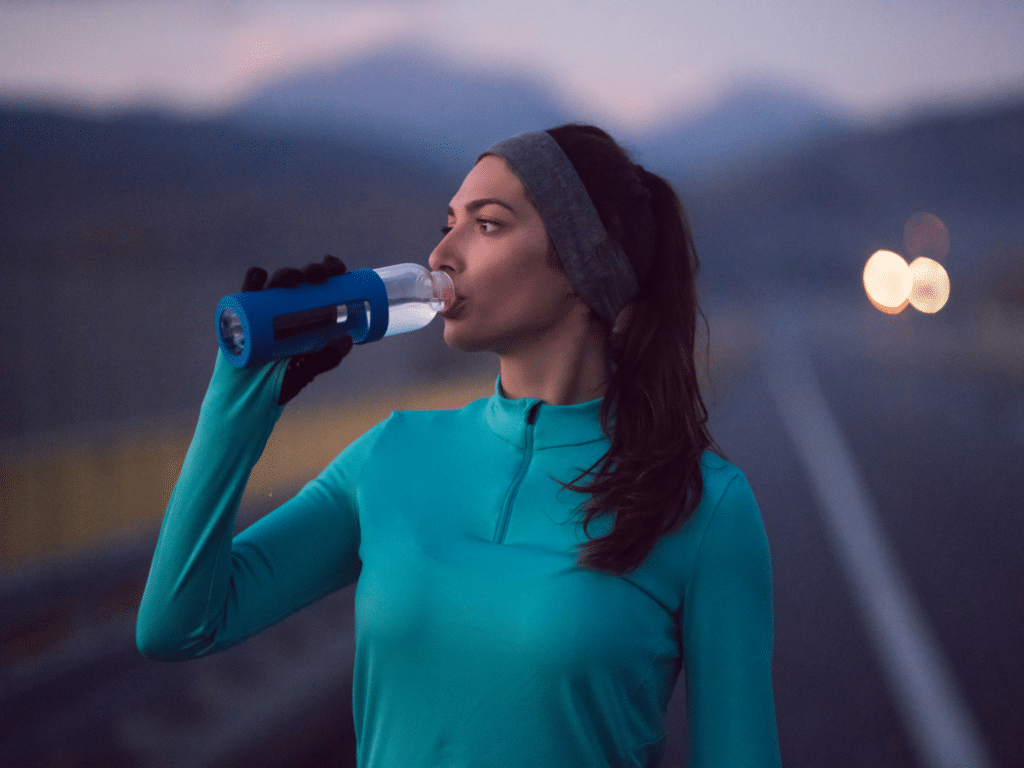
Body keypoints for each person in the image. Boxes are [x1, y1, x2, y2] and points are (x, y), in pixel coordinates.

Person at [137, 124, 781, 767]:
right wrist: (241, 396)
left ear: (586, 262)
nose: (441, 254)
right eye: (447, 222)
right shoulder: (392, 455)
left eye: (488, 224)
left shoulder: (700, 504)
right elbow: (176, 625)